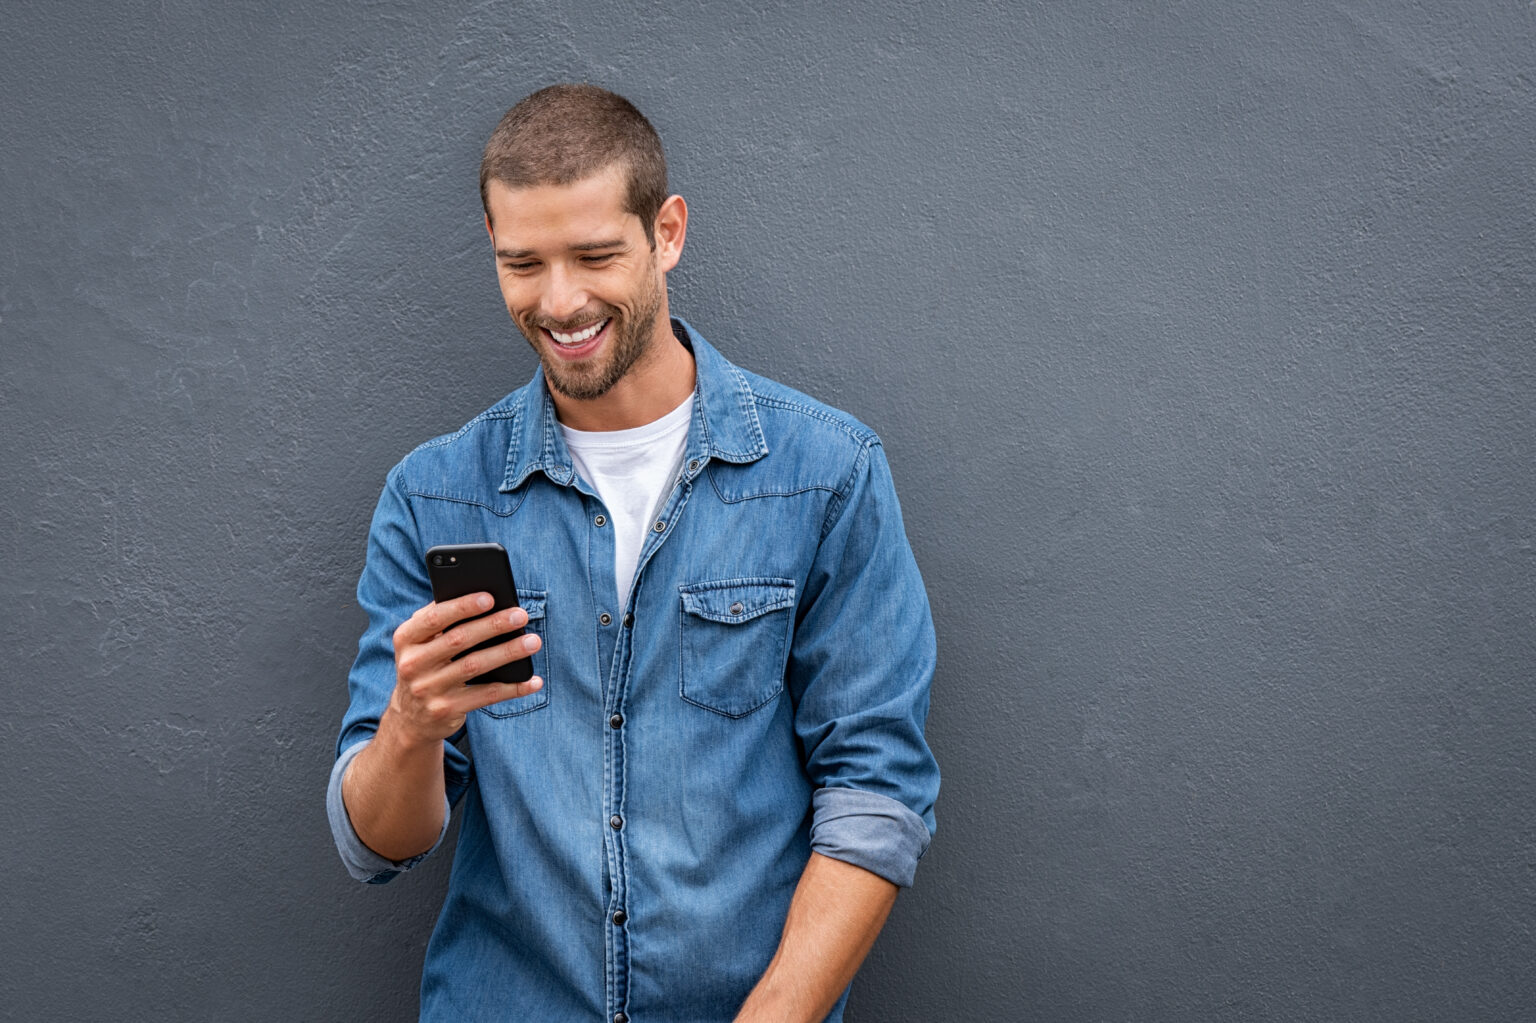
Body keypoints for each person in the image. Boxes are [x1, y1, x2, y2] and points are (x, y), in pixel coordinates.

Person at [327, 84, 939, 1023]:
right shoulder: (436, 495)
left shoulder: (826, 472)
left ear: (668, 233)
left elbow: (876, 796)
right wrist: (411, 723)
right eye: (523, 263)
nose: (560, 301)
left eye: (595, 255)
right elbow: (378, 846)